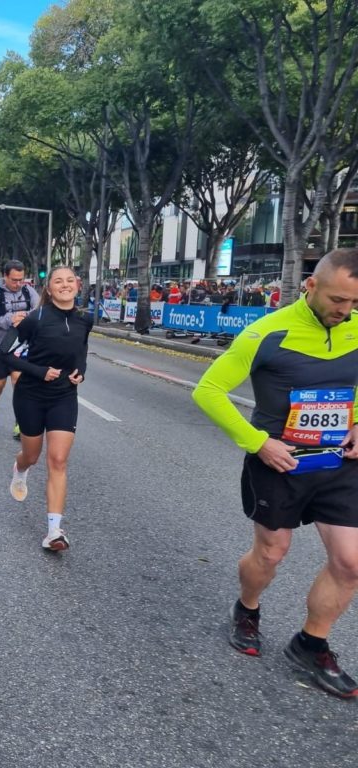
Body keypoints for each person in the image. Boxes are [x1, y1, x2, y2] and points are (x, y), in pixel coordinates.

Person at [193, 248, 358, 698]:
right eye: (338, 300)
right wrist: (258, 443)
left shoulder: (356, 326)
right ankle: (247, 608)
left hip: (338, 461)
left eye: (354, 303)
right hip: (278, 461)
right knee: (271, 553)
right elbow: (208, 391)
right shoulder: (266, 332)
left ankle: (311, 643)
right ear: (311, 285)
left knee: (351, 561)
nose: (344, 312)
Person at [4, 266, 93, 551]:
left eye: (70, 280)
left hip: (64, 396)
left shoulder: (85, 319)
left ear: (77, 286)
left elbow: (80, 351)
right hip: (30, 394)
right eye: (58, 281)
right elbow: (5, 355)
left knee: (58, 460)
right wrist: (40, 371)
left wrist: (81, 371)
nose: (65, 285)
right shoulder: (35, 319)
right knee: (32, 455)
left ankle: (54, 532)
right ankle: (20, 468)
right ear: (50, 289)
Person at [0, 261, 39, 439]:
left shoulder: (29, 292)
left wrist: (26, 317)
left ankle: (20, 421)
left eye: (21, 280)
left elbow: (40, 311)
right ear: (5, 276)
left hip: (22, 345)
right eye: (14, 280)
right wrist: (9, 319)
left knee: (18, 380)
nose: (18, 284)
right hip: (1, 345)